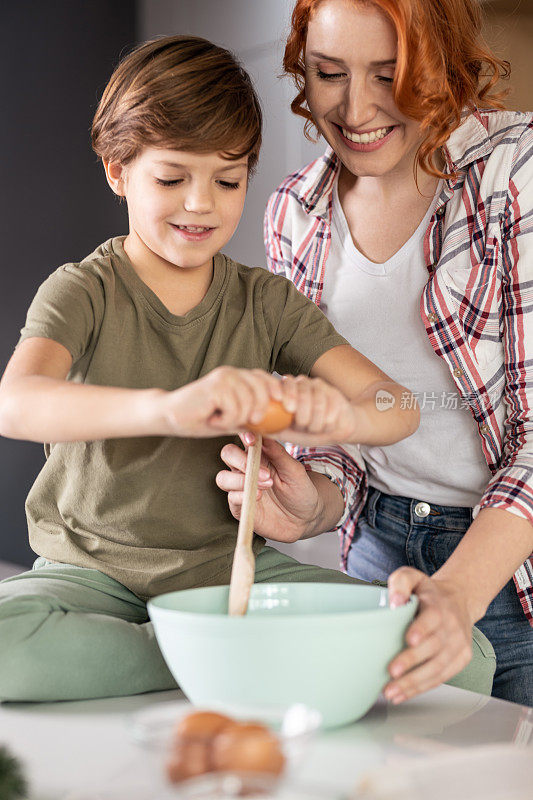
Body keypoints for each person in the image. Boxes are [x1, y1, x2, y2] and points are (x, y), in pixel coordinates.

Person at [0, 34, 423, 703]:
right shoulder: (82, 290)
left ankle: (215, 650)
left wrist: (338, 414)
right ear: (117, 170)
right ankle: (208, 658)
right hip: (89, 574)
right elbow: (17, 403)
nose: (201, 204)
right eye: (171, 179)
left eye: (226, 181)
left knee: (444, 644)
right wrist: (166, 409)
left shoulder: (266, 303)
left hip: (229, 576)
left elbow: (396, 408)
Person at [217, 0, 533, 706]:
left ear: (442, 66)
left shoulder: (515, 173)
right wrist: (311, 503)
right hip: (375, 558)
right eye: (328, 73)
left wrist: (455, 594)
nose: (355, 108)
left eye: (389, 75)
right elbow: (348, 437)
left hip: (510, 576)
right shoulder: (296, 213)